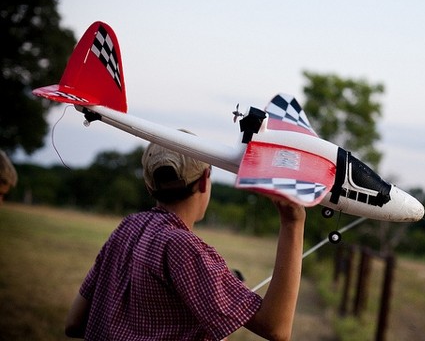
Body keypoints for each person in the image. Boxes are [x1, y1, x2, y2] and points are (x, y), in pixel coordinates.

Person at [65, 140, 306, 341]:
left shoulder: (127, 227)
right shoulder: (182, 248)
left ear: (150, 186)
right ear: (204, 180)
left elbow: (74, 324)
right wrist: (292, 224)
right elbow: (276, 328)